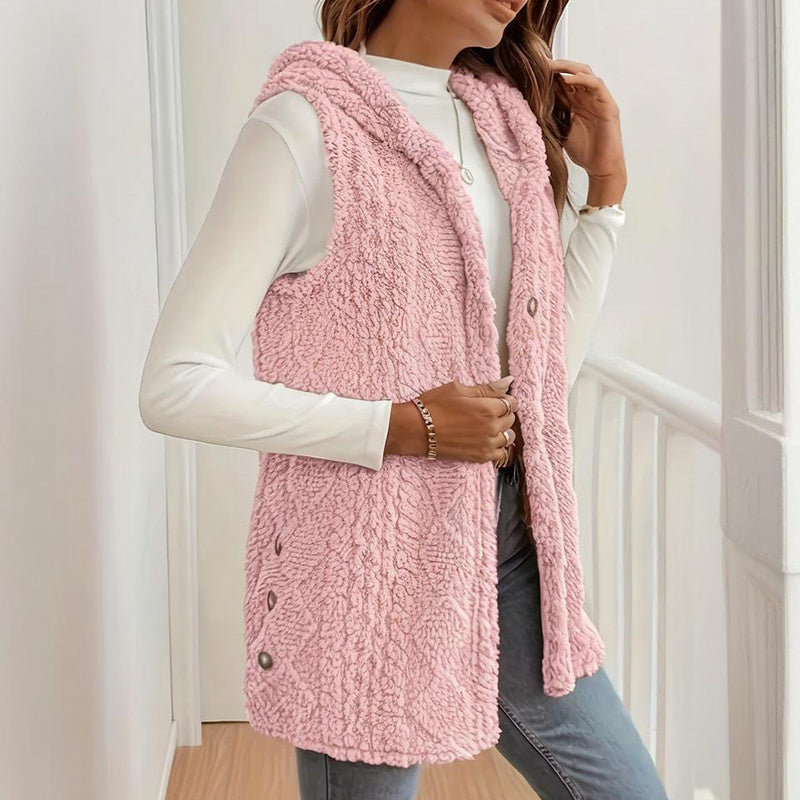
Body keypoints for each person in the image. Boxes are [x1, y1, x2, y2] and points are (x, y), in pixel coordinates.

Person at [139, 1, 668, 798]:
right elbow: (174, 384)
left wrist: (606, 194)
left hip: (511, 537)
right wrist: (403, 426)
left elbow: (541, 376)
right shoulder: (304, 128)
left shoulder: (506, 130)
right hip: (366, 566)